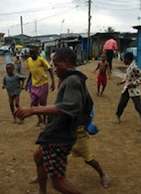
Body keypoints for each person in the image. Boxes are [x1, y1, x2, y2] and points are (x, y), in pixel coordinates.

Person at [15, 48, 92, 194]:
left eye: (56, 65)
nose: (54, 69)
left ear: (66, 62)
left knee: (58, 183)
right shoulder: (75, 78)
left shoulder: (73, 81)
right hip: (57, 132)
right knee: (39, 158)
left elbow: (71, 106)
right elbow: (87, 104)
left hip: (59, 137)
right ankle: (42, 192)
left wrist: (34, 110)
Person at [113, 52, 141, 132]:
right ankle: (117, 116)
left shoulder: (134, 68)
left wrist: (133, 84)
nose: (123, 60)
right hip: (127, 89)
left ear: (128, 59)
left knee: (138, 106)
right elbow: (129, 77)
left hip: (134, 90)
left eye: (124, 59)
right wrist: (122, 82)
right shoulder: (130, 67)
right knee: (122, 103)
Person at [25, 46, 55, 127]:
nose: (31, 55)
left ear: (37, 53)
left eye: (33, 53)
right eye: (30, 53)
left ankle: (44, 121)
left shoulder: (41, 60)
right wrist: (27, 82)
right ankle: (40, 119)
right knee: (34, 104)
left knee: (43, 105)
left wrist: (53, 82)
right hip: (34, 85)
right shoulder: (29, 61)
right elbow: (31, 72)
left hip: (43, 84)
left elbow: (49, 69)